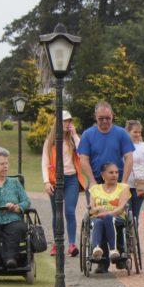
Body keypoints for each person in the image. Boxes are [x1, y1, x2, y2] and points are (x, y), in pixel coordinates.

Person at [41, 110, 84, 257]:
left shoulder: (72, 140)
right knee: (57, 214)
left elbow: (83, 151)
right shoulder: (50, 142)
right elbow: (44, 163)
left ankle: (72, 244)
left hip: (71, 179)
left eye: (69, 121)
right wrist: (46, 182)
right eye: (65, 121)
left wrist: (74, 135)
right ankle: (57, 244)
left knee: (70, 211)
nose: (67, 124)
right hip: (55, 181)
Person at [78, 101, 134, 186]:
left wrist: (124, 182)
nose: (104, 121)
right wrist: (92, 181)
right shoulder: (87, 135)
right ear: (95, 117)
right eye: (101, 118)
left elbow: (129, 157)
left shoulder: (122, 133)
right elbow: (83, 159)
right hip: (96, 183)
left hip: (117, 182)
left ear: (112, 116)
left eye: (108, 118)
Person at [87, 162, 131, 272]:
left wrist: (107, 213)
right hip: (97, 217)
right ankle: (97, 249)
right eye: (111, 172)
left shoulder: (123, 188)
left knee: (107, 219)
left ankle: (113, 249)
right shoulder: (95, 189)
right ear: (103, 175)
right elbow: (91, 208)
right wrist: (98, 209)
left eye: (116, 172)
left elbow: (121, 208)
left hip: (117, 217)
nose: (114, 175)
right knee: (98, 222)